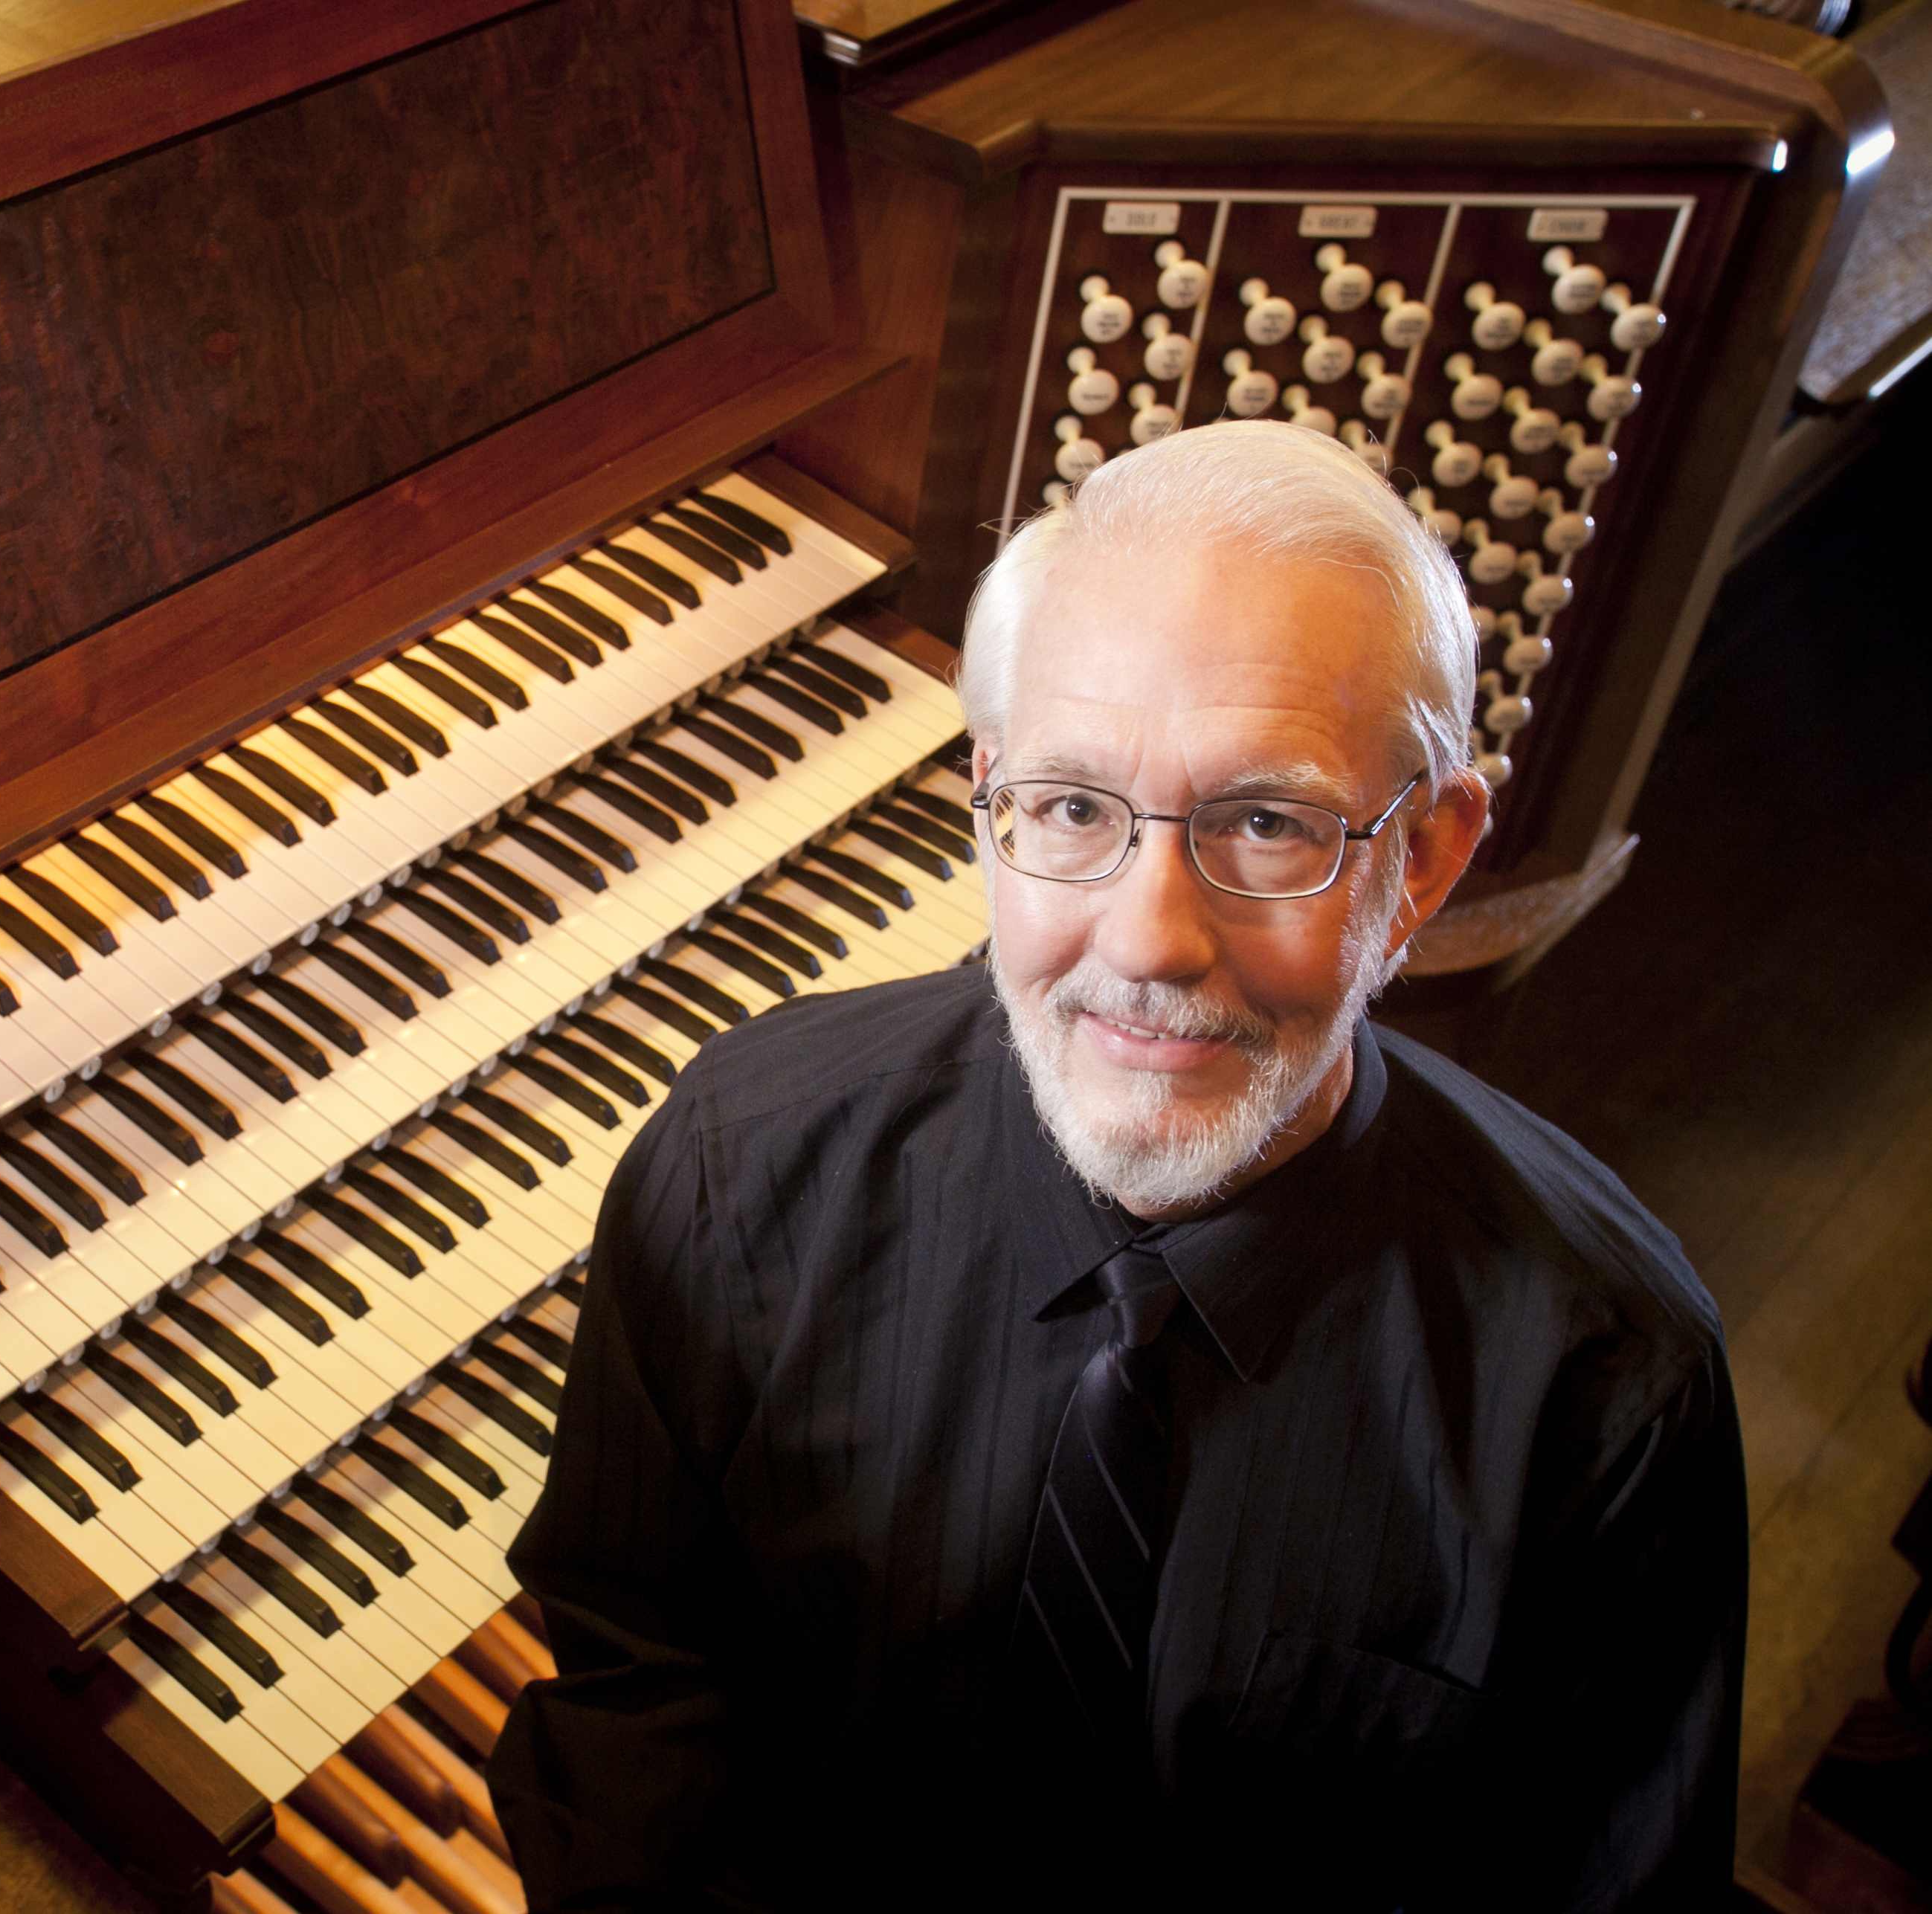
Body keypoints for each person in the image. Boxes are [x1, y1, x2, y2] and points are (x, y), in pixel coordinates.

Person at [488, 421, 1745, 1910]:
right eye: (1074, 809)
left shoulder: (1606, 1383)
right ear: (988, 799)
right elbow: (642, 1673)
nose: (1146, 939)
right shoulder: (736, 1166)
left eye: (1265, 823)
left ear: (1423, 858)